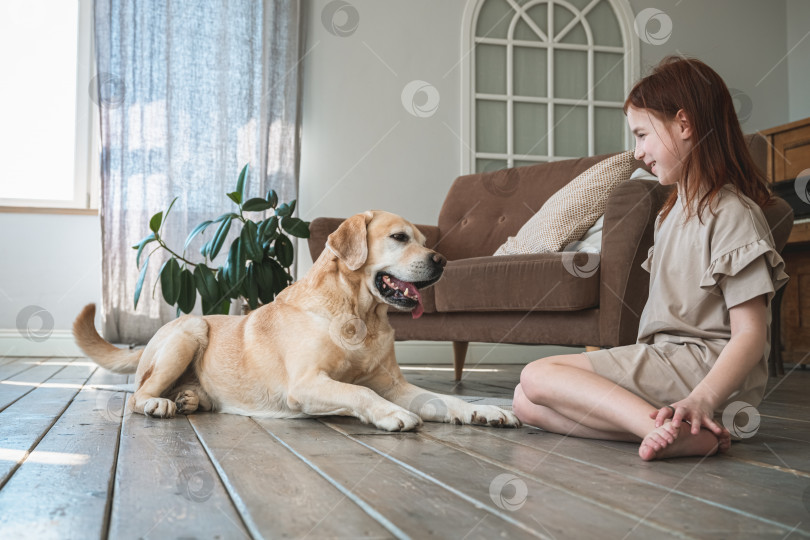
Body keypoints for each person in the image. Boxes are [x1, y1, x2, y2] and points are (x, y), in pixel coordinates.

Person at [512, 56, 789, 461]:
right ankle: (685, 434)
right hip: (668, 361)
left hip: (705, 372)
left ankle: (662, 426)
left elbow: (750, 336)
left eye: (642, 135)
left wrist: (702, 397)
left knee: (536, 376)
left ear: (684, 124)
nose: (638, 153)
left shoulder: (732, 213)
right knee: (524, 402)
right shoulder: (670, 213)